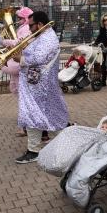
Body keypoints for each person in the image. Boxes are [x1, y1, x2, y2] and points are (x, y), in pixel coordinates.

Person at [14, 11, 69, 164]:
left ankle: (37, 150)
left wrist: (20, 58)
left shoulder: (48, 38)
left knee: (35, 115)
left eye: (31, 25)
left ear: (39, 24)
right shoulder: (42, 36)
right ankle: (43, 148)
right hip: (36, 84)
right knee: (41, 116)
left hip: (39, 85)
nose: (29, 28)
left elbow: (39, 58)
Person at [0, 6, 33, 137]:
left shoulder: (26, 29)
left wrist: (4, 41)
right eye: (18, 18)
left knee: (23, 96)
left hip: (21, 63)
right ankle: (25, 124)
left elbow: (20, 42)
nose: (18, 20)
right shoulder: (22, 28)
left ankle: (25, 126)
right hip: (18, 62)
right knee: (17, 91)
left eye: (20, 18)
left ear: (26, 18)